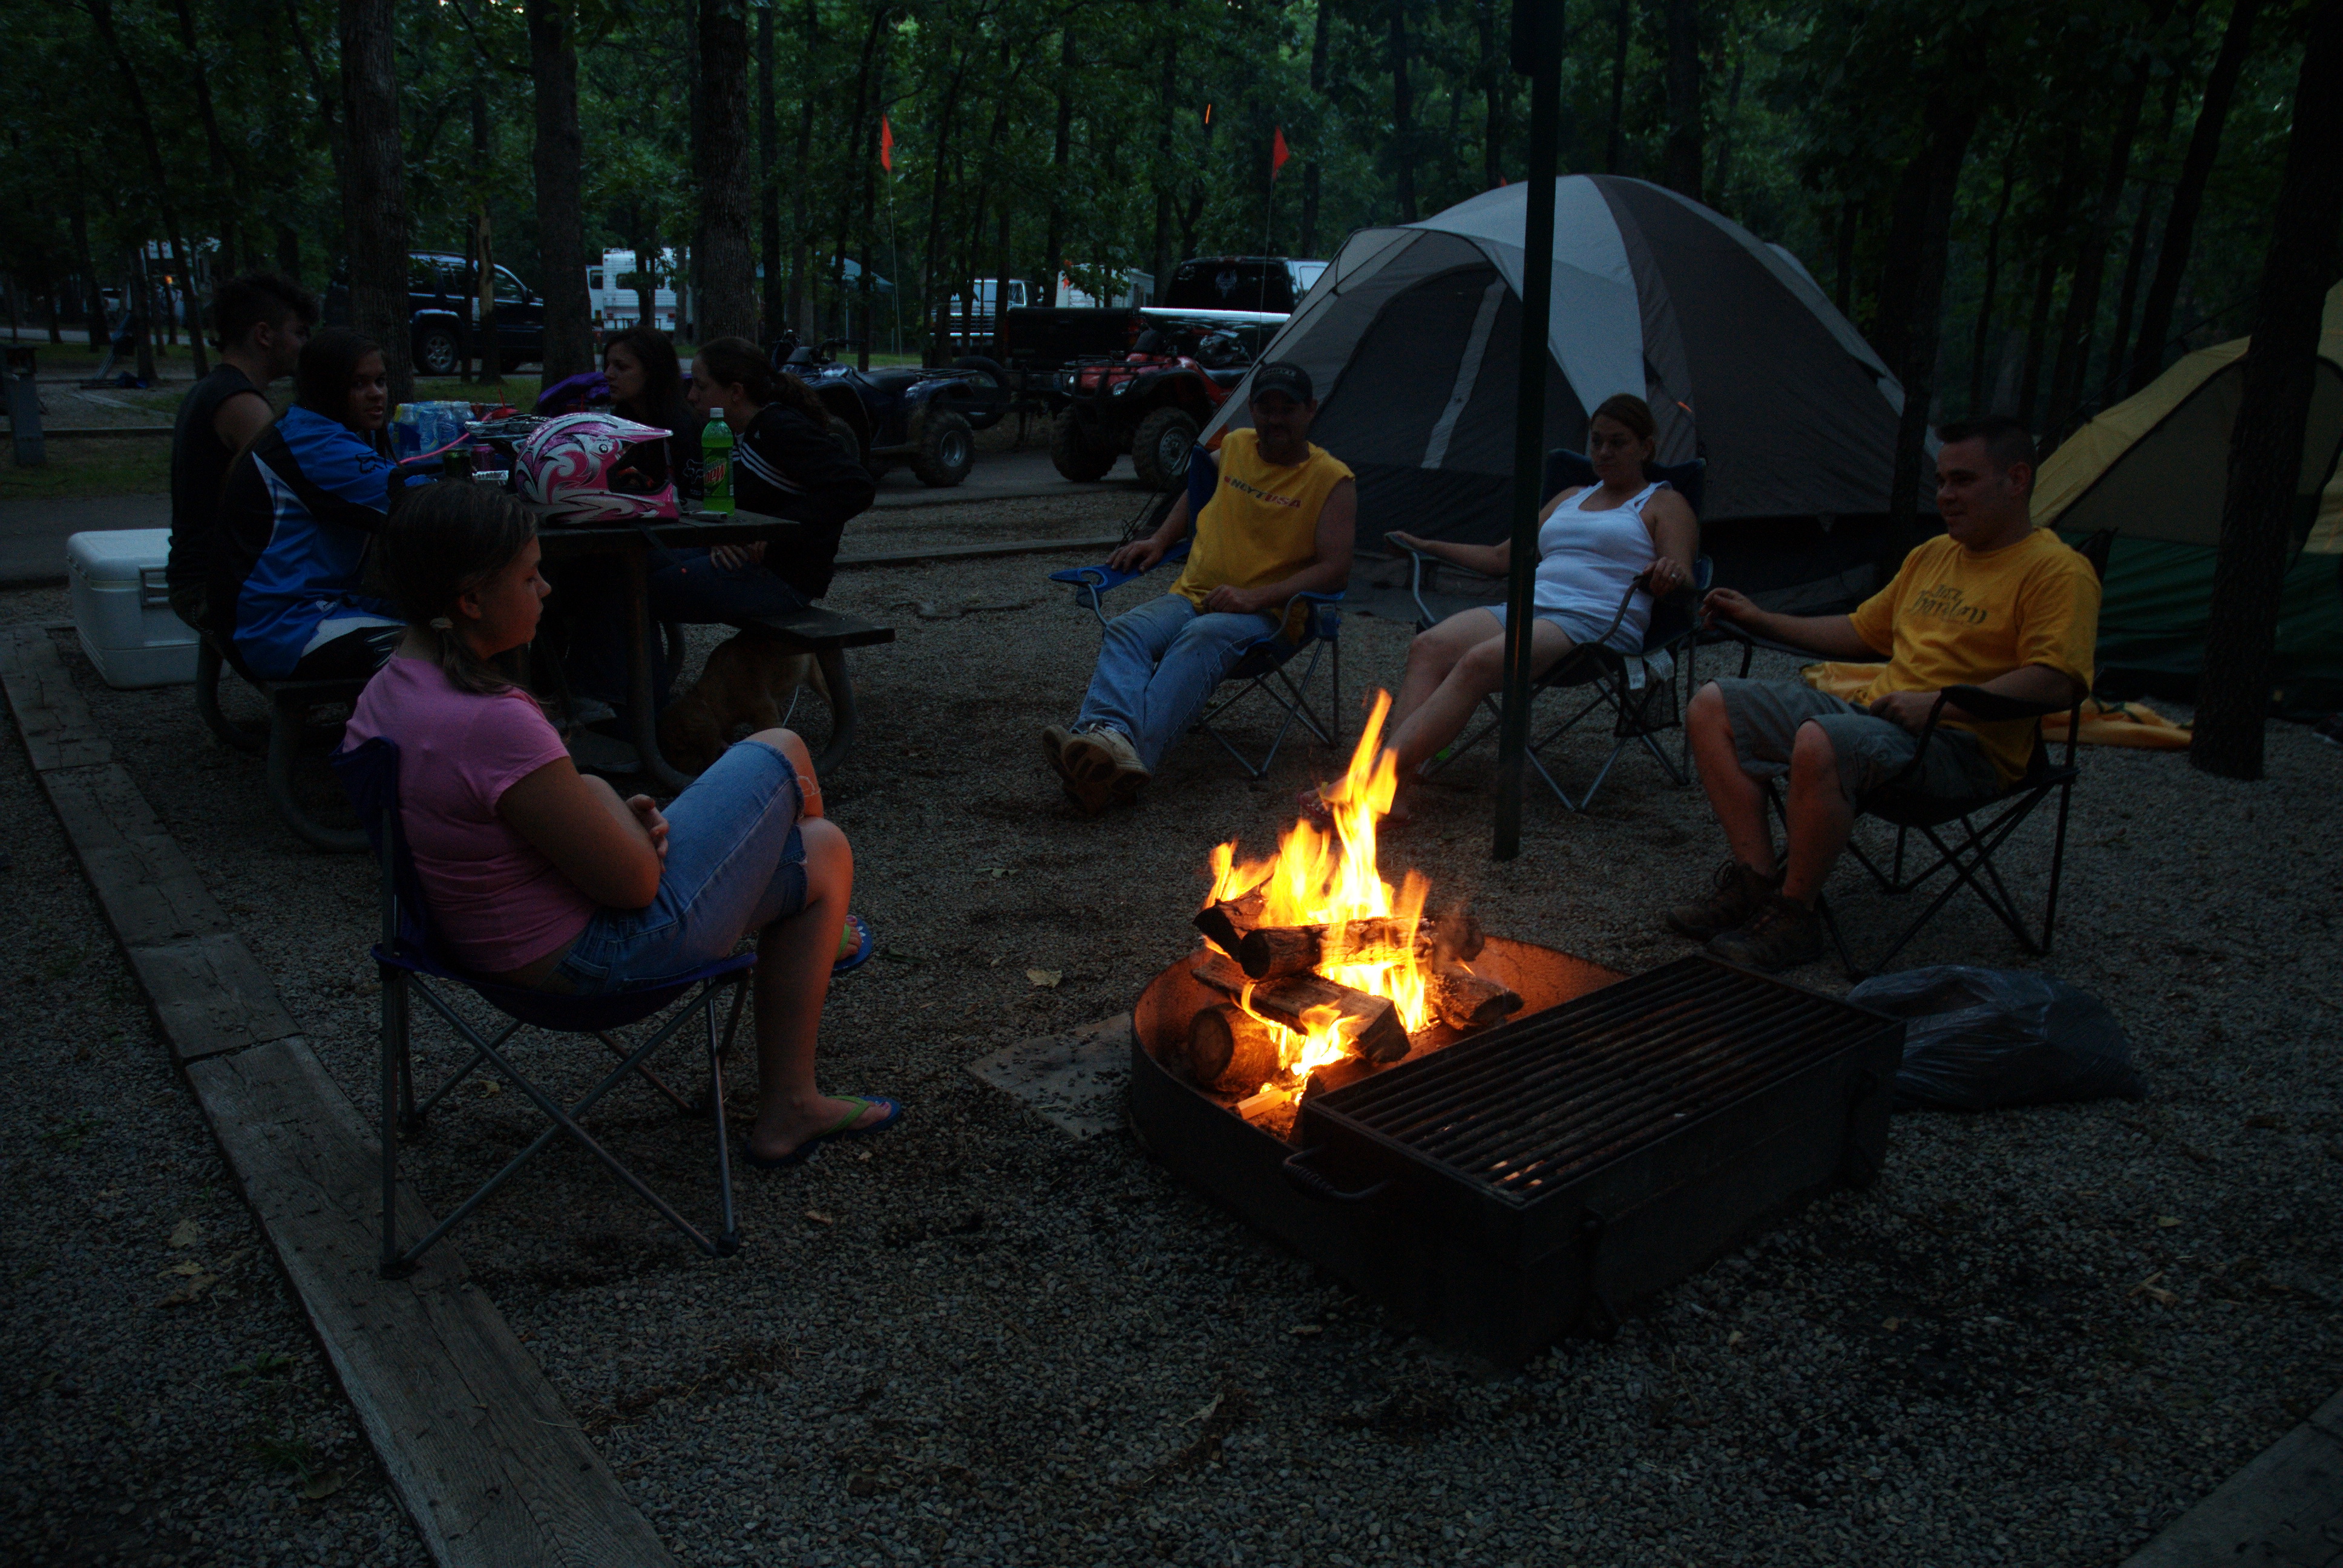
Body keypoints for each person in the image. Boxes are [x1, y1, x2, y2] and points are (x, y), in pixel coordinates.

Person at [341, 483, 898, 1166]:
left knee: (822, 852)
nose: (545, 588)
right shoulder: (491, 720)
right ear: (470, 600)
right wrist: (616, 814)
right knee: (782, 754)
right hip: (586, 966)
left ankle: (794, 1094)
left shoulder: (389, 693)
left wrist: (599, 796)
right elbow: (635, 885)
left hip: (465, 947)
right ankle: (792, 1082)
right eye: (528, 575)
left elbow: (530, 810)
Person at [1670, 415, 2100, 970]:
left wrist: (1945, 701)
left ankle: (1795, 915)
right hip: (1878, 719)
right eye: (1942, 480)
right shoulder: (1933, 555)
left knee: (1822, 740)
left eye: (1963, 480)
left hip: (1964, 748)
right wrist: (1761, 619)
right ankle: (1757, 884)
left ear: (2017, 479)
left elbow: (2058, 679)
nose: (1945, 495)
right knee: (1713, 705)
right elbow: (1861, 631)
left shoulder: (2057, 571)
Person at [1042, 361, 1356, 815]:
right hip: (1193, 595)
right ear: (1251, 409)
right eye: (1265, 408)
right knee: (1127, 629)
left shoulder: (1332, 480)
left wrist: (1256, 596)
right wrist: (1160, 538)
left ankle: (1112, 761)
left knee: (1201, 636)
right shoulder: (1234, 446)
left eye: (1287, 408)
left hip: (1265, 617)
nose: (1275, 418)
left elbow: (1335, 570)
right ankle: (1108, 742)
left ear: (1310, 410)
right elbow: (1195, 492)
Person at [1375, 393, 1698, 821]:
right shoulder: (1569, 496)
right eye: (1596, 441)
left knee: (1481, 661)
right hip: (1533, 607)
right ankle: (1391, 791)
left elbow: (1685, 575)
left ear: (1646, 447)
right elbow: (1501, 559)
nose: (1603, 452)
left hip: (1595, 622)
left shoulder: (1663, 503)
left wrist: (1668, 573)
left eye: (1618, 442)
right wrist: (1425, 545)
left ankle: (1373, 778)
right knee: (1429, 646)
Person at [212, 328, 422, 680]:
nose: (377, 395)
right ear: (328, 389)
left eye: (381, 381)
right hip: (281, 628)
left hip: (297, 609)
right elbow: (421, 504)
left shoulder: (304, 428)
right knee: (446, 644)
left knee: (449, 617)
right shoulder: (317, 445)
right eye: (359, 384)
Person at [166, 273, 318, 635]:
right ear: (264, 335)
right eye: (299, 333)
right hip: (211, 589)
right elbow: (296, 495)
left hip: (200, 577)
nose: (305, 345)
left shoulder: (213, 389)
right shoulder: (241, 404)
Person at [601, 326, 703, 504]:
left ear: (653, 371)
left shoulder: (681, 428)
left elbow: (692, 496)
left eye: (621, 367)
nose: (608, 374)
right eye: (608, 365)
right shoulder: (618, 423)